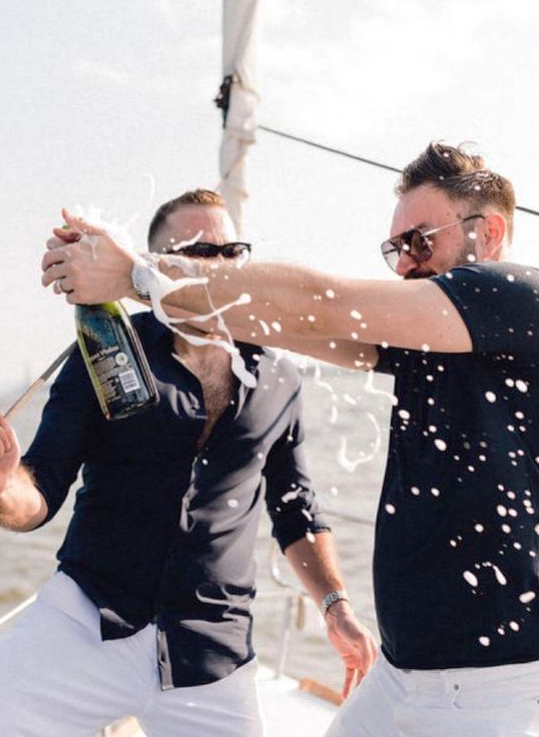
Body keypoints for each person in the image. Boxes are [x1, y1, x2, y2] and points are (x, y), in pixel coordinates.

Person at [41, 142, 539, 736]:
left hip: (501, 686)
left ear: (490, 232)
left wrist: (137, 273)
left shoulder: (516, 296)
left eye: (420, 241)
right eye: (395, 248)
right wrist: (131, 281)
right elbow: (284, 320)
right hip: (404, 674)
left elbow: (329, 303)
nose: (405, 263)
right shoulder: (429, 336)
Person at [0, 188, 377, 737]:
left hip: (213, 650)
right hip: (89, 617)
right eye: (197, 253)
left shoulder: (279, 377)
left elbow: (295, 507)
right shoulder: (103, 349)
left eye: (231, 252)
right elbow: (40, 490)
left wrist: (336, 607)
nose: (219, 267)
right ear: (150, 267)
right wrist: (6, 484)